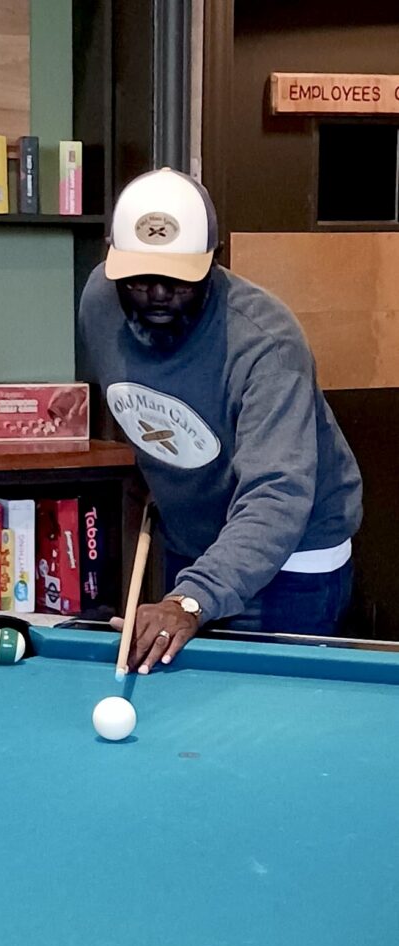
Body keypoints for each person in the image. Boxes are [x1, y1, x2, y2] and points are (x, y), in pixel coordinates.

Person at [78, 167, 363, 674]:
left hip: (294, 560)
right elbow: (145, 402)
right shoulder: (99, 304)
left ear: (213, 262)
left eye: (178, 279)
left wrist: (190, 601)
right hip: (193, 547)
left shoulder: (266, 346)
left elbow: (278, 494)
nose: (157, 293)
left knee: (270, 725)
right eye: (140, 277)